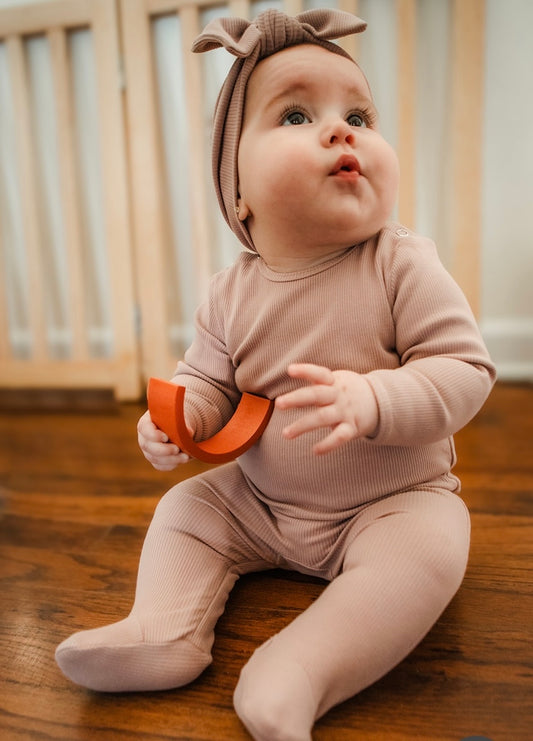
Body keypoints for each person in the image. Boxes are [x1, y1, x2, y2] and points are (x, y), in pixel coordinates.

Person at [56, 9, 496, 740]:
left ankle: (300, 669)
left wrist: (377, 397)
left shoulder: (400, 262)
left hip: (388, 501)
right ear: (238, 196)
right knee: (187, 511)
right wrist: (181, 419)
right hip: (259, 500)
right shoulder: (228, 292)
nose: (340, 129)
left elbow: (465, 369)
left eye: (357, 113)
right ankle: (161, 628)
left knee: (431, 547)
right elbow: (208, 382)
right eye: (296, 113)